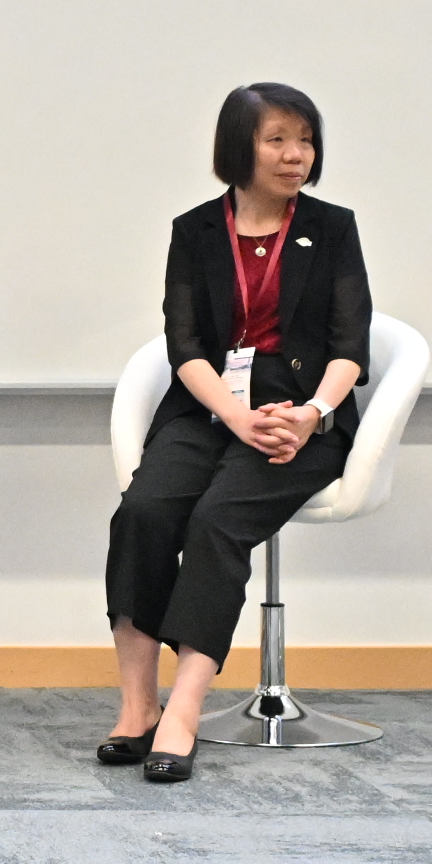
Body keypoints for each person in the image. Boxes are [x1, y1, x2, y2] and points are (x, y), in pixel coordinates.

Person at [101, 83, 372, 783]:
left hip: (300, 415)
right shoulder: (195, 231)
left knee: (217, 520)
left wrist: (312, 413)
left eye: (305, 140)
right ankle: (138, 706)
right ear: (237, 147)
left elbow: (350, 345)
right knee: (143, 513)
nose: (295, 155)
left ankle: (184, 711)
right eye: (276, 139)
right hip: (212, 407)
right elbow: (185, 346)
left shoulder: (332, 228)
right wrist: (234, 415)